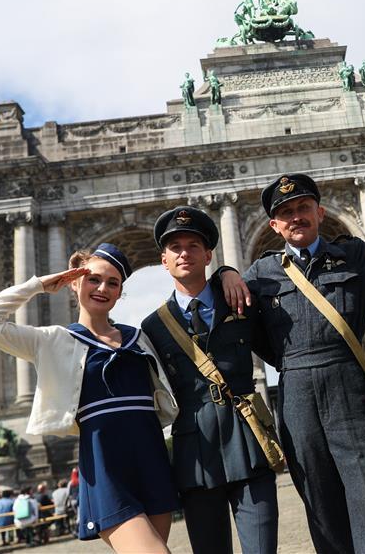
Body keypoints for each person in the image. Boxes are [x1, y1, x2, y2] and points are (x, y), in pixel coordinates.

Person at [0, 243, 204, 553]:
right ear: (75, 282)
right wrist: (37, 285)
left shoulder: (139, 336)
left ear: (120, 293)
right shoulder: (52, 340)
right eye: (93, 279)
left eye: (113, 283)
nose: (102, 288)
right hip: (106, 468)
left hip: (153, 461)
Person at [244, 173, 365, 554]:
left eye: (303, 208)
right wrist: (225, 272)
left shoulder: (354, 254)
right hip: (296, 397)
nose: (296, 217)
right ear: (273, 225)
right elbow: (245, 332)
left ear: (320, 212)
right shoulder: (259, 274)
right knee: (324, 515)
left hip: (350, 390)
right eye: (285, 212)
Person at [141, 206, 279, 554]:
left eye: (192, 245)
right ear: (164, 259)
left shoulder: (241, 302)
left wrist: (230, 273)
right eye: (175, 248)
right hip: (195, 460)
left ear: (208, 255)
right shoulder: (152, 327)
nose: (184, 253)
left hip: (249, 446)